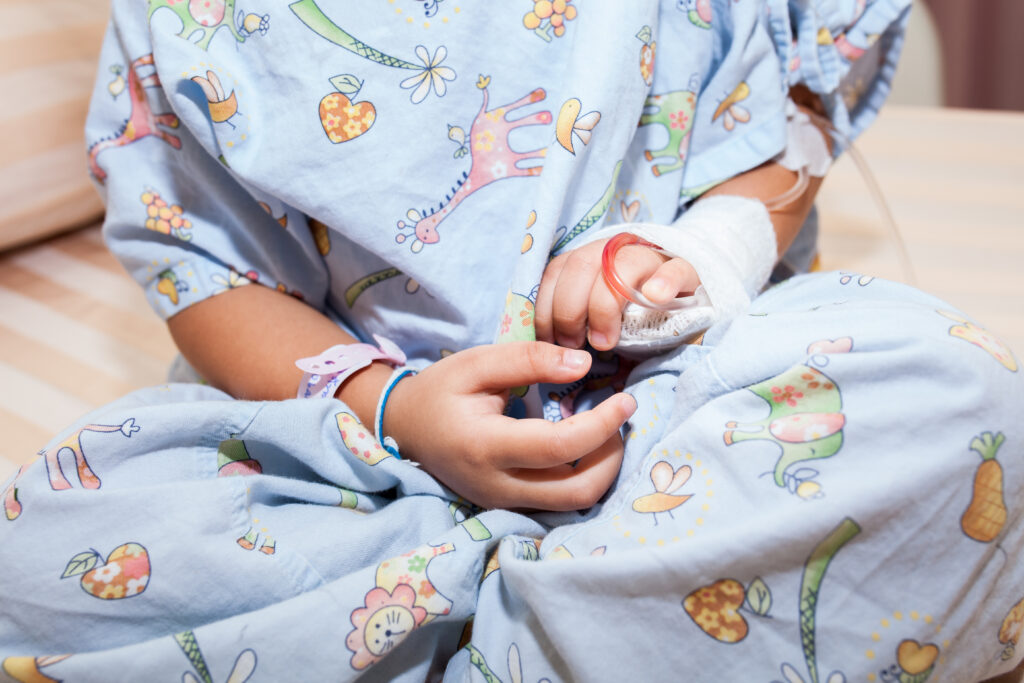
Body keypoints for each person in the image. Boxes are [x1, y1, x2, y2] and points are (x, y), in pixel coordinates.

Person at [1, 1, 1021, 680]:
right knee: (37, 568)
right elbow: (209, 273)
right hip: (354, 451)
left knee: (969, 405)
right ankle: (564, 617)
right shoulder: (187, 23)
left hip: (679, 402)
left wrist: (698, 257)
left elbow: (781, 135)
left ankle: (471, 626)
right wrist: (395, 406)